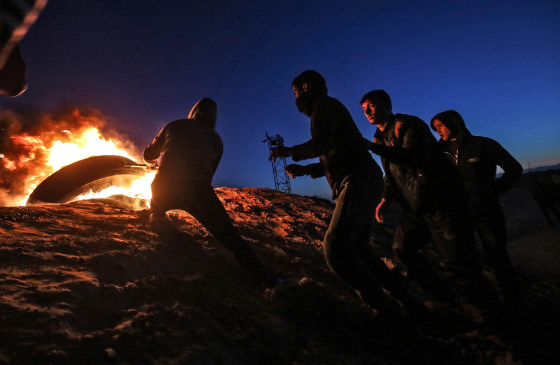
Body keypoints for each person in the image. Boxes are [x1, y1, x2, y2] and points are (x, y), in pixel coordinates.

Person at [269, 70, 406, 316]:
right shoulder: (328, 109)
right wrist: (305, 170)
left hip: (358, 180)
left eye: (296, 92)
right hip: (364, 177)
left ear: (307, 89)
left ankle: (386, 311)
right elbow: (336, 154)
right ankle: (406, 302)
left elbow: (323, 144)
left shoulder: (324, 107)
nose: (295, 99)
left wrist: (289, 151)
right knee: (360, 250)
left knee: (336, 249)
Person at [360, 90, 492, 304]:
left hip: (440, 202)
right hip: (416, 207)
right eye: (363, 108)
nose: (366, 111)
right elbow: (392, 173)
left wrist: (373, 148)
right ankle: (443, 299)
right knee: (402, 249)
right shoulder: (379, 137)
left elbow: (415, 158)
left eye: (371, 106)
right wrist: (385, 199)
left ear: (386, 105)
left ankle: (489, 315)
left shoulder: (408, 125)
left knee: (458, 262)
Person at [144, 98, 277, 288]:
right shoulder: (217, 140)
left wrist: (153, 162)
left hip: (165, 186)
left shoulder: (173, 125)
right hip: (199, 192)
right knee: (230, 236)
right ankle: (265, 279)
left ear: (193, 112)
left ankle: (157, 216)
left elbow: (149, 155)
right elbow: (209, 175)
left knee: (157, 202)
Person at [431, 110, 523, 302]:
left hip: (486, 211)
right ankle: (486, 303)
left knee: (497, 257)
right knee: (467, 260)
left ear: (454, 123)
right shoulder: (438, 153)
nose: (437, 131)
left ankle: (514, 301)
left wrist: (494, 190)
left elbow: (514, 169)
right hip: (457, 214)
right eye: (434, 128)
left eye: (440, 126)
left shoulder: (482, 144)